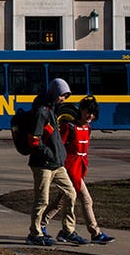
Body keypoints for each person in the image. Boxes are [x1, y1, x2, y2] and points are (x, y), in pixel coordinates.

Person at [42, 96, 115, 244]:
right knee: (86, 200)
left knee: (61, 201)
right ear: (81, 111)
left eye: (93, 114)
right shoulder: (69, 127)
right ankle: (95, 233)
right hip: (69, 169)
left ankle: (43, 224)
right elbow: (58, 146)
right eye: (88, 112)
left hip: (79, 169)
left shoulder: (87, 128)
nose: (90, 116)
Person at [26, 78, 89, 246]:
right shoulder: (42, 111)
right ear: (54, 93)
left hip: (57, 164)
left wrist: (57, 156)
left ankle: (68, 231)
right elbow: (34, 139)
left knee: (71, 194)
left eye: (66, 96)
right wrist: (49, 153)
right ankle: (35, 233)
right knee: (42, 200)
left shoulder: (52, 110)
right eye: (62, 95)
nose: (64, 99)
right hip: (43, 164)